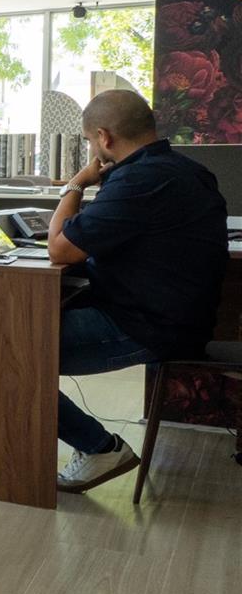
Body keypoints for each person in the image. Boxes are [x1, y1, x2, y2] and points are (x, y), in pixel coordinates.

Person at [46, 89, 227, 494]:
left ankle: (100, 449)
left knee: (6, 352)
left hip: (147, 326)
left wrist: (75, 184)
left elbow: (59, 248)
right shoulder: (188, 171)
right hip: (176, 317)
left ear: (104, 137)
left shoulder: (138, 181)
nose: (93, 150)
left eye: (90, 141)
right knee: (13, 340)